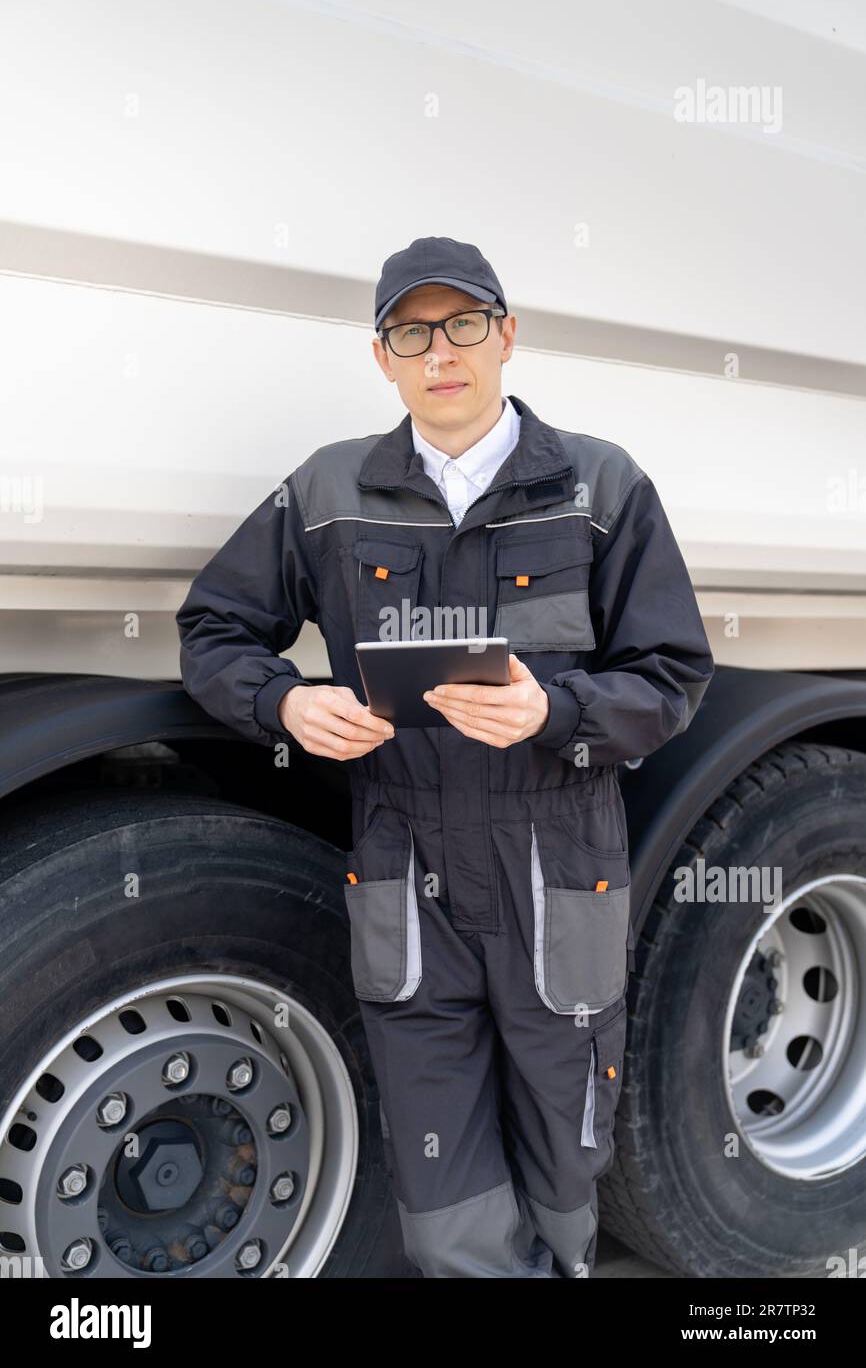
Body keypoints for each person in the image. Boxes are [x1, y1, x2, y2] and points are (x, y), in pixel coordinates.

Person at [176, 235, 715, 1278]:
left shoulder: (599, 486)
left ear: (505, 336)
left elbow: (670, 676)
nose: (440, 351)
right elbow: (214, 629)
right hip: (403, 874)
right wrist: (283, 702)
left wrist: (554, 711)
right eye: (410, 331)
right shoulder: (326, 493)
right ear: (382, 357)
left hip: (556, 872)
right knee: (441, 1202)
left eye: (462, 322)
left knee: (564, 1169)